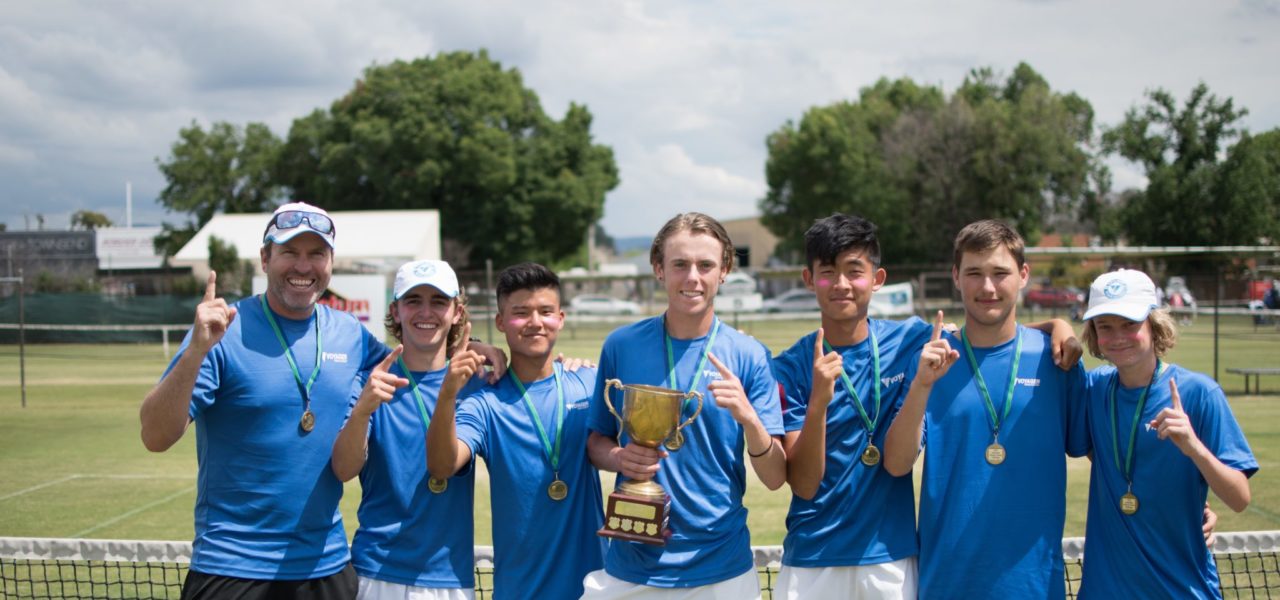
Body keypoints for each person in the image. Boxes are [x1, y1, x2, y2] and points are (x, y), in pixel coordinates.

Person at [772, 214, 1081, 599]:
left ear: (877, 278)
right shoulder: (787, 366)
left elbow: (987, 330)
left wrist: (1057, 327)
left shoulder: (912, 339)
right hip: (811, 559)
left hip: (892, 558)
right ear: (808, 278)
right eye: (827, 273)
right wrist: (819, 401)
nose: (841, 285)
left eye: (854, 271)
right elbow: (801, 482)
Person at [140, 202, 387, 599]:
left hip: (326, 568)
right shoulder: (222, 331)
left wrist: (476, 348)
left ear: (331, 262)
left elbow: (417, 370)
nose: (303, 267)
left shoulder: (351, 335)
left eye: (316, 254)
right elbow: (154, 435)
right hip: (232, 568)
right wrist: (194, 353)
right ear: (265, 258)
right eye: (290, 252)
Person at [582, 212, 786, 599]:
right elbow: (596, 442)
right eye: (680, 264)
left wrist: (749, 418)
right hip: (633, 564)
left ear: (724, 271)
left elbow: (775, 477)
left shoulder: (749, 355)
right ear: (659, 269)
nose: (692, 277)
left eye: (705, 265)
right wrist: (619, 458)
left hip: (722, 569)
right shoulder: (621, 346)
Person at [883, 219, 1089, 598]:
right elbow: (896, 463)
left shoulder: (1058, 360)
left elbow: (1102, 454)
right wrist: (922, 385)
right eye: (974, 273)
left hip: (1034, 585)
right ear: (956, 277)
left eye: (1000, 273)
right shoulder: (932, 360)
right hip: (947, 582)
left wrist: (1187, 511)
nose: (988, 287)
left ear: (1023, 275)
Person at [425, 262, 606, 600]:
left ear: (561, 319)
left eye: (545, 311)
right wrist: (448, 393)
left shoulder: (589, 383)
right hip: (519, 591)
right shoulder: (485, 402)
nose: (535, 322)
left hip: (593, 591)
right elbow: (442, 465)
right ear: (500, 322)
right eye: (521, 313)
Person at [1077, 269, 1256, 599]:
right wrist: (1057, 326)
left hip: (1183, 590)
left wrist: (1194, 449)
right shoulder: (1092, 389)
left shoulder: (1200, 393)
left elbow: (1239, 498)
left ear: (1154, 324)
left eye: (1130, 324)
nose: (1118, 336)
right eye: (1105, 326)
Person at [331, 259, 488, 599]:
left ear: (457, 312)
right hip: (377, 572)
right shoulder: (369, 381)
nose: (425, 312)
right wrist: (362, 412)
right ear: (396, 310)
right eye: (413, 301)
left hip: (450, 578)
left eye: (439, 302)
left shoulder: (477, 385)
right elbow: (343, 469)